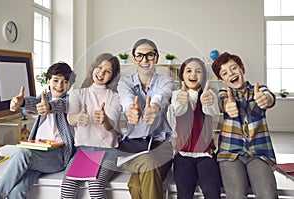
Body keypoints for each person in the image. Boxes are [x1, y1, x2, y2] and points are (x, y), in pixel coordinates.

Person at [0, 62, 75, 199]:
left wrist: (48, 107)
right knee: (16, 193)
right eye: (55, 80)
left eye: (65, 82)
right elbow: (33, 104)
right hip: (38, 153)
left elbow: (60, 105)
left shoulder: (71, 100)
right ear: (48, 81)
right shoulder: (43, 98)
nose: (60, 85)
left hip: (58, 155)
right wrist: (21, 103)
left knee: (22, 154)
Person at [211, 52, 278, 198]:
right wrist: (228, 106)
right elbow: (223, 102)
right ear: (221, 79)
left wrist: (266, 99)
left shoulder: (259, 90)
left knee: (268, 194)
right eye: (225, 73)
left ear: (242, 69)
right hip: (230, 154)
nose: (231, 74)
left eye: (233, 68)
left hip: (258, 154)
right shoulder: (223, 93)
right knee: (236, 194)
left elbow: (269, 97)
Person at [117, 38, 175, 199]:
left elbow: (161, 96)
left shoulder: (167, 81)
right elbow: (126, 97)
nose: (144, 60)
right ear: (134, 58)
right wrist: (131, 108)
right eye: (140, 55)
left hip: (161, 146)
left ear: (156, 58)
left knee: (136, 186)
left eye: (150, 55)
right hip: (133, 148)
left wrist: (154, 108)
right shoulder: (124, 82)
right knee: (148, 164)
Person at [60, 53, 122, 199]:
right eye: (99, 67)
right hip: (83, 151)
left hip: (108, 151)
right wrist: (78, 118)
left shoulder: (116, 97)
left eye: (107, 71)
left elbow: (111, 126)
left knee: (95, 187)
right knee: (67, 189)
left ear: (112, 76)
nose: (101, 73)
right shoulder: (77, 94)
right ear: (93, 68)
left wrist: (105, 119)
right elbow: (70, 117)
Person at [167, 57, 222, 199]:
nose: (193, 75)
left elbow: (212, 112)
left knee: (212, 191)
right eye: (189, 71)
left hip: (206, 154)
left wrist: (207, 102)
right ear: (182, 76)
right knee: (184, 193)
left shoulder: (210, 94)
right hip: (183, 154)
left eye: (198, 71)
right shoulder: (175, 95)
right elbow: (175, 116)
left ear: (203, 76)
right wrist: (181, 102)